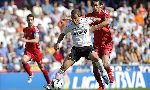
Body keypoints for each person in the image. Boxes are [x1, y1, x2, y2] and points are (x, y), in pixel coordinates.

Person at [51, 9, 110, 89]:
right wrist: (58, 43)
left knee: (95, 57)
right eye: (73, 18)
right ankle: (54, 83)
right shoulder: (70, 25)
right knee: (64, 66)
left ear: (80, 17)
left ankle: (103, 73)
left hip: (87, 47)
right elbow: (62, 34)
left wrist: (102, 19)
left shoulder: (86, 20)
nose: (75, 21)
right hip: (76, 50)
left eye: (76, 18)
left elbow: (98, 19)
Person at [85, 0, 114, 89]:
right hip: (97, 44)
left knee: (105, 64)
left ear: (101, 5)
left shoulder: (104, 13)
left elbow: (107, 22)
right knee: (94, 67)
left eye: (96, 5)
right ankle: (101, 85)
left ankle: (109, 72)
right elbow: (80, 19)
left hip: (106, 43)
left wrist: (96, 27)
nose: (95, 7)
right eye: (94, 5)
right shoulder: (90, 15)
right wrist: (69, 18)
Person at [21, 14, 51, 89]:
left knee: (42, 68)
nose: (30, 21)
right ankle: (31, 74)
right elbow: (24, 37)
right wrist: (22, 41)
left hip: (36, 52)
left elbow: (36, 40)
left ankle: (49, 83)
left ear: (33, 20)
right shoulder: (25, 29)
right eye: (29, 19)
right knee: (23, 61)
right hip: (28, 50)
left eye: (31, 20)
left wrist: (26, 40)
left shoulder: (35, 29)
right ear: (27, 20)